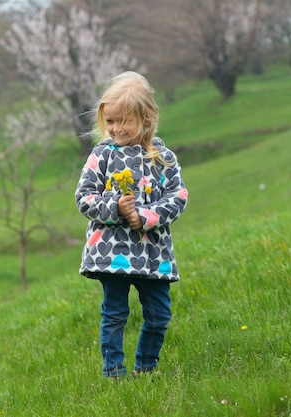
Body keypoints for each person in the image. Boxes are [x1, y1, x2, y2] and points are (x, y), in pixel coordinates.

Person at [75, 71, 188, 378]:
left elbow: (178, 196)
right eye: (110, 121)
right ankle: (113, 372)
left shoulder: (162, 157)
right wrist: (115, 206)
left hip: (154, 255)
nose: (115, 128)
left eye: (124, 120)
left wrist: (146, 217)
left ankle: (146, 368)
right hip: (112, 253)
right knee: (114, 314)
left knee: (159, 314)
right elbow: (84, 198)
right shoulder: (102, 155)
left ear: (146, 118)